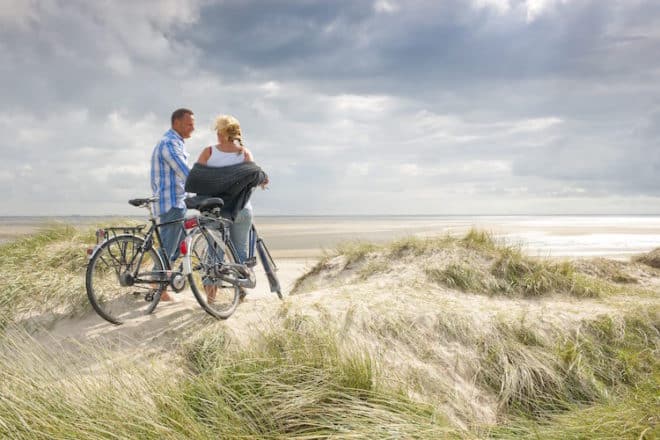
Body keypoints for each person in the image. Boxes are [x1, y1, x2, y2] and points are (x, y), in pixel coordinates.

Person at [194, 114, 268, 302]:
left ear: (221, 133)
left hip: (217, 211)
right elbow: (254, 179)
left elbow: (197, 180)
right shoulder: (245, 153)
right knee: (239, 252)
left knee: (214, 254)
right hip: (242, 210)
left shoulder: (209, 152)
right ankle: (240, 295)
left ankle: (212, 301)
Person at [150, 108, 195, 301]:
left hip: (177, 202)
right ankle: (157, 284)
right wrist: (208, 185)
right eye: (189, 124)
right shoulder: (169, 143)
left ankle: (161, 281)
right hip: (171, 204)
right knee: (169, 246)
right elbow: (184, 172)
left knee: (179, 243)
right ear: (176, 123)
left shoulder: (177, 143)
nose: (193, 128)